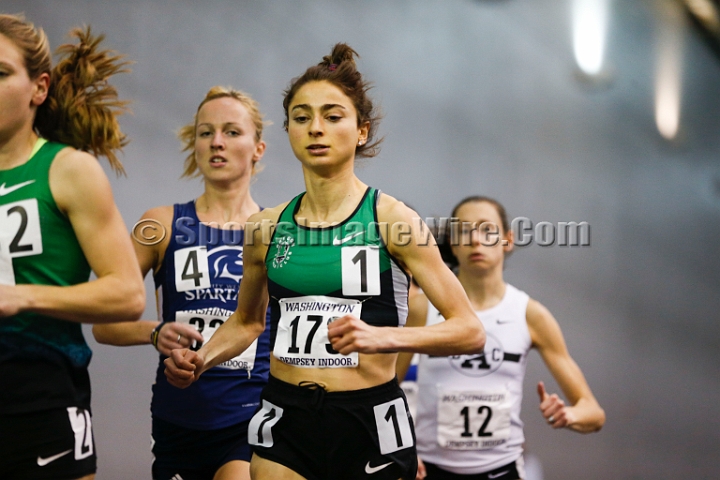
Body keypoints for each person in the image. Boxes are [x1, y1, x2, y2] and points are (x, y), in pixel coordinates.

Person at [163, 43, 486, 480]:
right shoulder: (265, 227)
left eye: (332, 117)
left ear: (361, 131)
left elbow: (469, 330)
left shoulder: (391, 219)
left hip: (368, 419)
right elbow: (246, 323)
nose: (316, 128)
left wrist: (382, 338)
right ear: (289, 131)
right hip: (286, 417)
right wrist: (203, 359)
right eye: (301, 118)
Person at [92, 86, 272, 480]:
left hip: (251, 415)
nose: (217, 142)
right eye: (205, 132)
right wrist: (155, 333)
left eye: (232, 132)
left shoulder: (276, 230)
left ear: (258, 148)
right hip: (180, 418)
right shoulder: (161, 224)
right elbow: (103, 324)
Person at [0, 14, 145, 480]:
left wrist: (22, 296)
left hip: (37, 393)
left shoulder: (67, 170)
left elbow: (127, 294)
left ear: (39, 88)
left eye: (0, 74)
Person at [397, 196, 606, 480]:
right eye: (463, 231)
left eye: (487, 229)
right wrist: (400, 447)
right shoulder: (423, 308)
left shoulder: (530, 315)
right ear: (453, 244)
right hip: (427, 469)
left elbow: (593, 413)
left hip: (502, 470)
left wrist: (569, 416)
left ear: (507, 239)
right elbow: (384, 389)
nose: (475, 239)